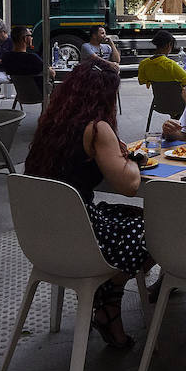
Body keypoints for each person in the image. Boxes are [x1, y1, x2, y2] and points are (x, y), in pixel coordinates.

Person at [23, 61, 147, 348]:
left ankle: (105, 306)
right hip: (81, 236)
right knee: (158, 228)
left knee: (132, 216)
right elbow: (128, 186)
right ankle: (108, 300)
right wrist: (131, 159)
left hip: (44, 232)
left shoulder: (53, 122)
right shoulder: (96, 128)